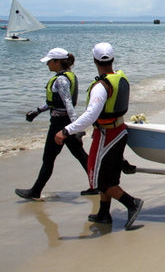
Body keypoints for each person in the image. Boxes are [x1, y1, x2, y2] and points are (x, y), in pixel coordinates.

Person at [54, 43, 143, 230]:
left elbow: (91, 115)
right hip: (119, 130)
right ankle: (103, 213)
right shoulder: (119, 77)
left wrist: (66, 131)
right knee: (108, 176)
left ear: (94, 60)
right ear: (112, 59)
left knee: (99, 180)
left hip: (107, 134)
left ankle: (131, 203)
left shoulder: (101, 86)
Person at [15, 48, 96, 200]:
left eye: (49, 62)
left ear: (57, 62)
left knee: (48, 158)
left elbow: (68, 105)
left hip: (60, 125)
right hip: (66, 124)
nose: (47, 65)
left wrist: (76, 129)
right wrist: (37, 111)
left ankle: (35, 191)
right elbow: (56, 103)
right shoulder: (66, 77)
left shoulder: (61, 80)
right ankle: (97, 185)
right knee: (80, 155)